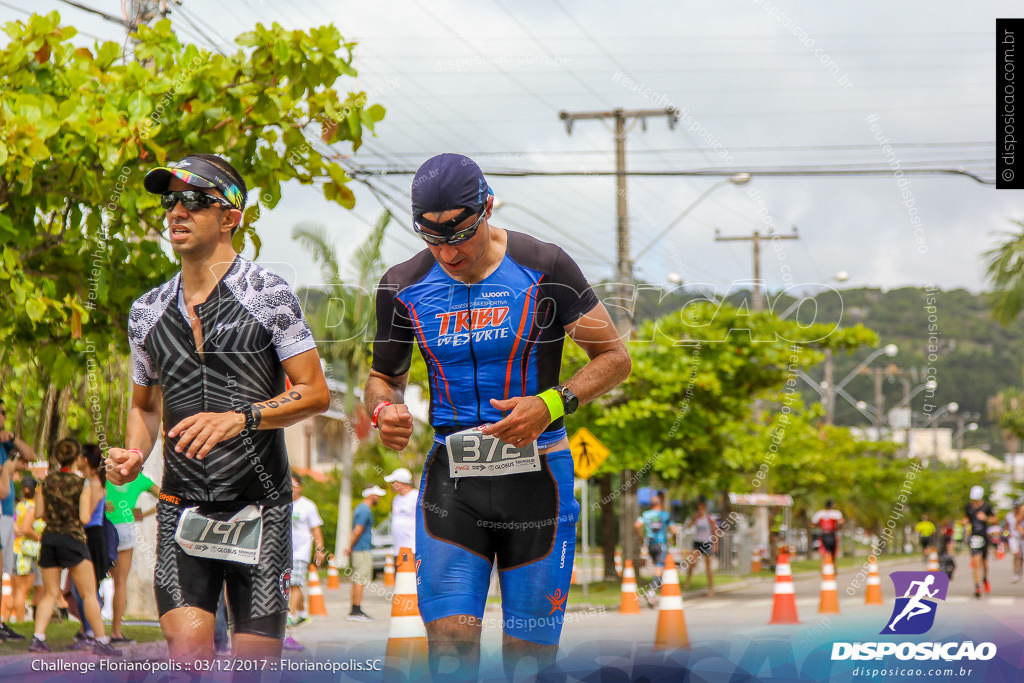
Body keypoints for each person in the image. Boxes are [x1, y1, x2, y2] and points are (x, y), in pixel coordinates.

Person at [365, 153, 631, 678]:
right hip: (452, 482)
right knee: (447, 649)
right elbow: (384, 378)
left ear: (487, 208)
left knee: (528, 664)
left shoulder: (545, 264)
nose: (447, 250)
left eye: (459, 233)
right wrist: (383, 409)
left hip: (538, 478)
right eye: (431, 237)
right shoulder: (401, 284)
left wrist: (551, 403)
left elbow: (615, 359)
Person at [105, 153, 331, 662]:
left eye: (194, 201)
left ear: (232, 216)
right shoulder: (146, 312)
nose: (176, 212)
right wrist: (134, 455)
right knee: (188, 661)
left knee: (252, 669)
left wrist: (242, 417)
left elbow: (315, 392)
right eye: (170, 200)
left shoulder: (268, 294)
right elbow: (144, 409)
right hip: (181, 510)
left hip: (261, 509)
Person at [28, 438, 119, 656]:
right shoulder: (81, 485)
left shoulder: (46, 483)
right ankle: (101, 640)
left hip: (50, 539)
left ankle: (38, 638)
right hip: (73, 540)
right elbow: (84, 516)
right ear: (78, 458)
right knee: (89, 593)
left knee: (50, 593)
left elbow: (39, 513)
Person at [104, 464, 159, 644]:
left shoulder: (108, 474)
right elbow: (168, 498)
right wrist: (142, 514)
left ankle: (89, 630)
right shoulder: (141, 479)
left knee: (92, 580)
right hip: (125, 528)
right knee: (120, 583)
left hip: (103, 527)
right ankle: (116, 632)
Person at [68, 444, 113, 649]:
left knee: (86, 589)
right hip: (91, 535)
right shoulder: (91, 482)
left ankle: (91, 633)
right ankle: (88, 631)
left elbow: (87, 516)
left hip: (91, 536)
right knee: (83, 589)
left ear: (84, 460)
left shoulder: (93, 484)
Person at [0, 398, 33, 640]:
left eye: (3, 412)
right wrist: (6, 472)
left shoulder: (4, 445)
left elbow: (29, 455)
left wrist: (12, 439)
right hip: (2, 513)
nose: (2, 416)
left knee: (4, 571)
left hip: (7, 514)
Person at [285, 473, 326, 650]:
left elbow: (316, 530)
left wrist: (320, 549)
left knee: (294, 585)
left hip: (300, 553)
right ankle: (301, 612)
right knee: (295, 585)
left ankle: (290, 615)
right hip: (283, 553)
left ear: (300, 487)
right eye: (289, 485)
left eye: (294, 485)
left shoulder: (308, 506)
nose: (292, 488)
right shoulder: (281, 503)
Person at [343, 486, 384, 622]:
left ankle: (354, 609)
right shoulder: (365, 510)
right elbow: (357, 530)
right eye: (377, 495)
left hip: (359, 549)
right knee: (360, 580)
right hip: (362, 549)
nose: (379, 498)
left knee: (357, 580)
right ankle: (356, 610)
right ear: (371, 495)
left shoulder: (360, 508)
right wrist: (350, 546)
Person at [9, 476, 42, 625]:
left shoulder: (20, 505)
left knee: (15, 591)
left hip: (15, 549)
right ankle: (21, 622)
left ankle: (7, 620)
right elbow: (27, 529)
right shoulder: (32, 506)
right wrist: (38, 537)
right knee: (23, 592)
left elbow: (16, 525)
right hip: (25, 552)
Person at [634, 491, 678, 601]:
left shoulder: (646, 514)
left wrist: (641, 537)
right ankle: (651, 591)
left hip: (650, 544)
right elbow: (674, 530)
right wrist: (673, 539)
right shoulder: (665, 515)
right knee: (659, 567)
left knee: (659, 568)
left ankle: (662, 592)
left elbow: (637, 525)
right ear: (660, 503)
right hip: (661, 544)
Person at [963, 485, 996, 599]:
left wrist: (985, 518)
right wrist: (965, 521)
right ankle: (977, 586)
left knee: (985, 563)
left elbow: (995, 520)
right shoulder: (968, 507)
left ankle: (985, 578)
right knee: (976, 561)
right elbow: (967, 518)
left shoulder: (987, 507)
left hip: (984, 536)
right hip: (974, 537)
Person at [683, 499, 718, 596]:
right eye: (698, 509)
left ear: (705, 509)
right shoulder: (696, 518)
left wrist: (715, 544)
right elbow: (689, 527)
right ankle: (687, 582)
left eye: (702, 509)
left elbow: (714, 531)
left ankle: (711, 588)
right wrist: (692, 520)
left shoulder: (709, 519)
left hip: (707, 542)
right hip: (697, 542)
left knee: (708, 567)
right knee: (691, 561)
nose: (700, 510)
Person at [384, 467, 417, 554]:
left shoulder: (415, 496)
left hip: (411, 549)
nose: (392, 485)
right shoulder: (396, 499)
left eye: (394, 482)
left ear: (401, 482)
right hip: (398, 550)